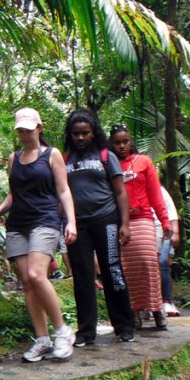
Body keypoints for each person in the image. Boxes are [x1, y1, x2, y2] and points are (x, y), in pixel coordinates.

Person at [0, 108, 76, 362]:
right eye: (21, 130)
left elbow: (63, 191)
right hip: (18, 224)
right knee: (27, 283)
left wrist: (71, 221)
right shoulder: (13, 159)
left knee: (36, 274)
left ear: (39, 128)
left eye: (29, 129)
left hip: (45, 220)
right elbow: (13, 193)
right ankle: (42, 339)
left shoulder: (52, 156)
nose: (25, 134)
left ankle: (63, 331)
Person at [62, 110, 136, 344]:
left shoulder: (106, 155)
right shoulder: (65, 159)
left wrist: (124, 224)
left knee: (113, 271)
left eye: (85, 133)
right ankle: (85, 332)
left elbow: (120, 191)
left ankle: (124, 326)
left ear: (94, 133)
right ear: (70, 135)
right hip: (78, 225)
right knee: (83, 277)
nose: (81, 138)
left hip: (106, 220)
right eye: (76, 134)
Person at [110, 124, 171, 330]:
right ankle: (134, 313)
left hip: (143, 218)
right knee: (126, 269)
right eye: (117, 142)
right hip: (120, 223)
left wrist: (165, 221)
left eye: (125, 141)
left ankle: (157, 309)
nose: (122, 146)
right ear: (111, 144)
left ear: (131, 141)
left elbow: (155, 194)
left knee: (148, 263)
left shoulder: (143, 162)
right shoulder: (109, 165)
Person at [156, 186, 181, 316]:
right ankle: (149, 304)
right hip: (145, 228)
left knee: (162, 262)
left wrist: (175, 233)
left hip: (164, 230)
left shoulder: (160, 190)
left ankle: (167, 301)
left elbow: (172, 213)